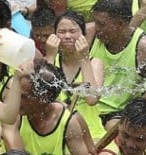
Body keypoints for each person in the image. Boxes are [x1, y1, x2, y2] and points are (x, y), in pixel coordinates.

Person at [1, 61, 95, 155]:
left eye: (24, 97)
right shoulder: (12, 116)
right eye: (16, 94)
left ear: (44, 98)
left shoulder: (67, 121)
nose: (16, 101)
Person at [89, 0, 146, 122]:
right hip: (86, 107)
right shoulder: (88, 34)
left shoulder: (145, 47)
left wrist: (145, 117)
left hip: (117, 116)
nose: (96, 28)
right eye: (95, 22)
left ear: (121, 24)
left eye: (101, 24)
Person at [45, 11, 107, 141]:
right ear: (54, 35)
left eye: (73, 31)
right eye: (62, 32)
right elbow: (44, 97)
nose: (67, 36)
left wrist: (84, 58)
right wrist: (50, 57)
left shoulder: (94, 63)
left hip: (90, 131)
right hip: (57, 128)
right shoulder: (48, 61)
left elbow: (92, 99)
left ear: (83, 35)